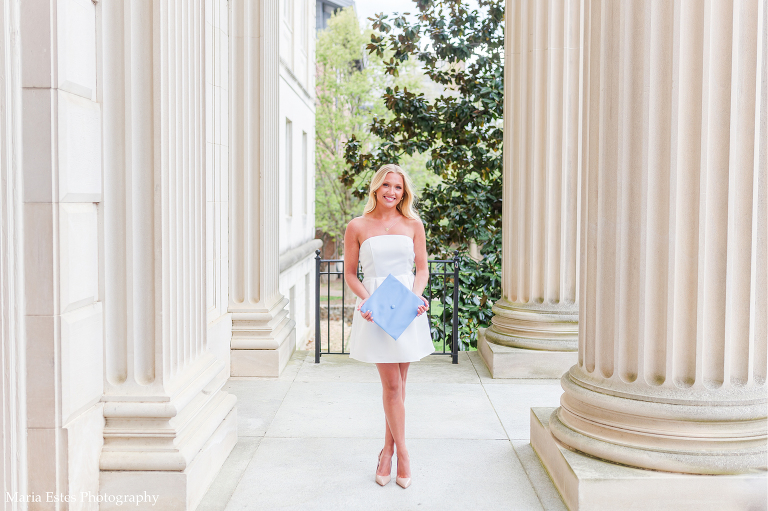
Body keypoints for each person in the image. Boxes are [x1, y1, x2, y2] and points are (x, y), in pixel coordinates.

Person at [344, 164, 434, 489]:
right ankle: (403, 455)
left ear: (403, 192)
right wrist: (367, 300)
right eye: (386, 185)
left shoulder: (414, 224)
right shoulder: (357, 226)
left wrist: (416, 297)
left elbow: (421, 270)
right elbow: (350, 274)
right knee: (393, 387)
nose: (392, 192)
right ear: (376, 188)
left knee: (399, 386)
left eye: (398, 187)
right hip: (376, 308)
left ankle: (388, 452)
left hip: (406, 307)